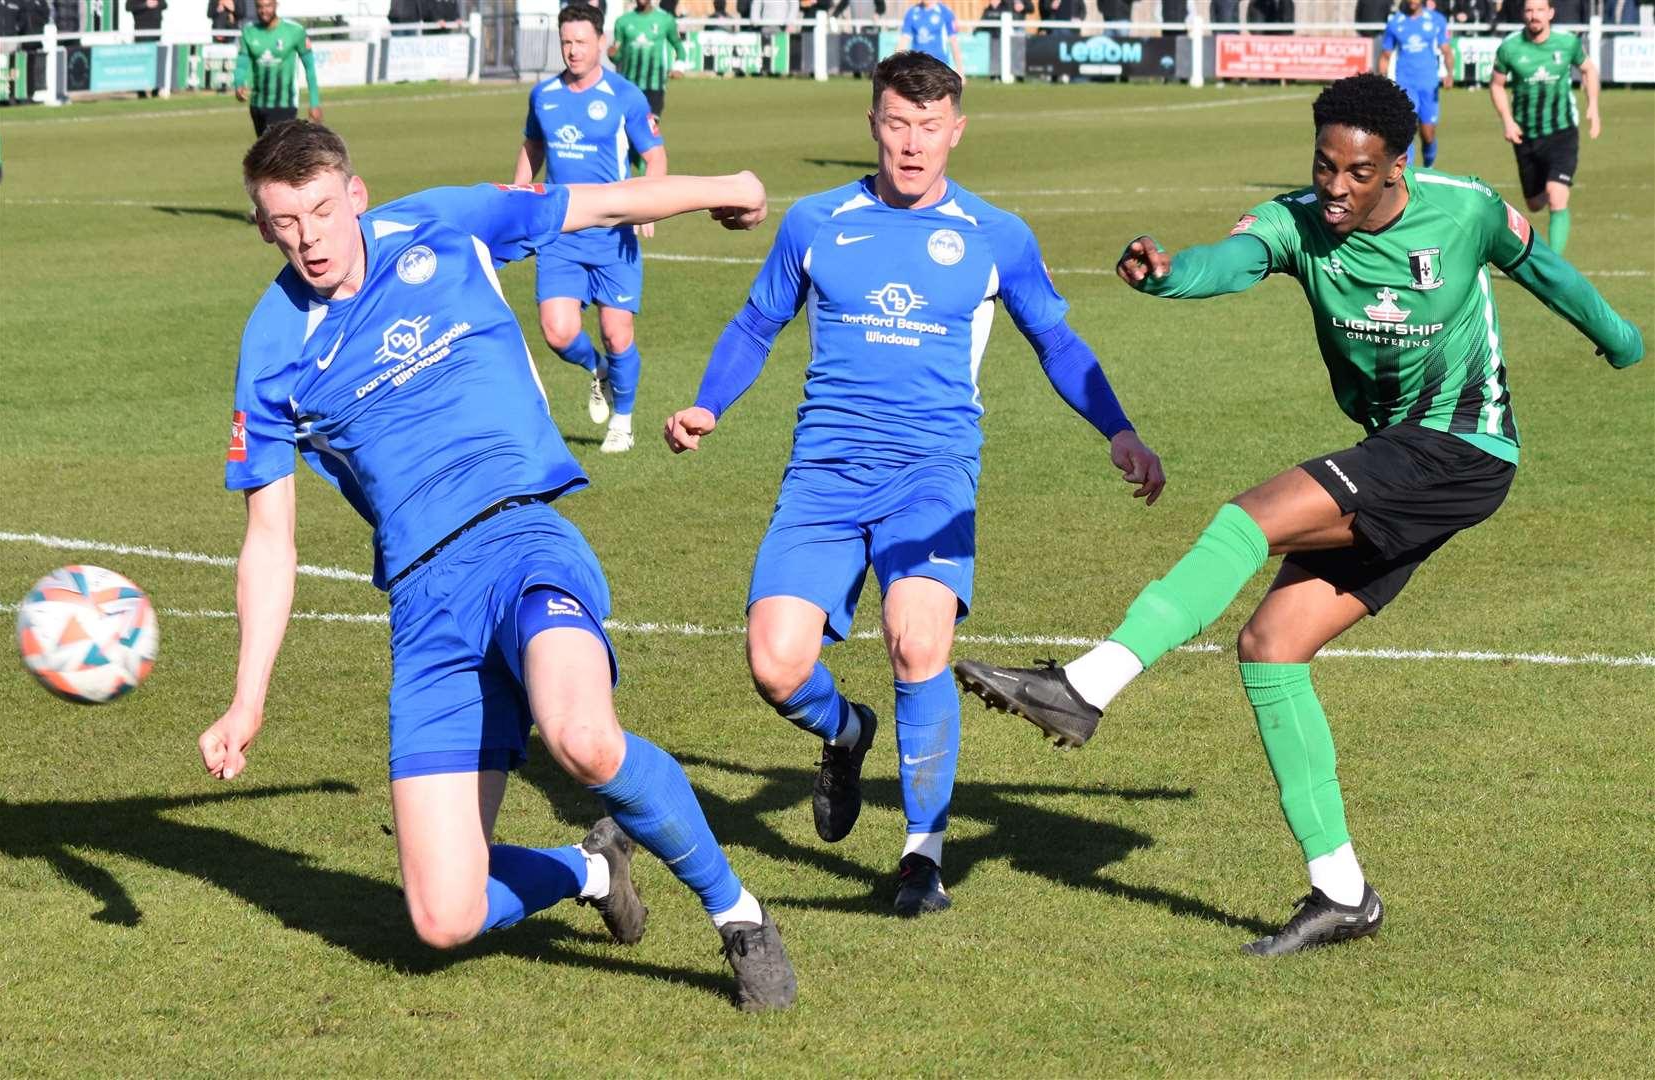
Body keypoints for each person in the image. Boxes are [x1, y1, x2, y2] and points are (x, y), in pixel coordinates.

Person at [955, 72, 1642, 957]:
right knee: (1271, 647)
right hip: (1401, 452)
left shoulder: (1462, 210)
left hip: (1462, 446)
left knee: (1251, 515)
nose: (1334, 188)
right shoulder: (1292, 221)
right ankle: (1341, 892)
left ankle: (1085, 687)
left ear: (1398, 165)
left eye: (1357, 173)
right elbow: (1226, 260)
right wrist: (1168, 276)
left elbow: (1544, 270)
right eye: (1323, 167)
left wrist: (1621, 341)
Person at [203, 119, 797, 1011]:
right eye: (285, 222)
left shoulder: (443, 223)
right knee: (443, 914)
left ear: (354, 195)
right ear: (263, 226)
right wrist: (248, 697)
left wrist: (731, 187)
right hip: (422, 602)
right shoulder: (269, 347)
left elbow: (596, 203)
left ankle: (736, 913)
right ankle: (591, 870)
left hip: (519, 542)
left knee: (583, 738)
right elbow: (269, 538)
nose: (310, 237)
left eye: (322, 211)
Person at [663, 52, 1165, 918]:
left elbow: (1058, 343)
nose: (911, 144)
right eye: (896, 123)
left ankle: (920, 859)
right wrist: (708, 405)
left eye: (928, 127)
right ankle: (845, 732)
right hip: (823, 469)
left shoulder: (993, 233)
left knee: (915, 642)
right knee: (775, 664)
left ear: (955, 132)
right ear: (873, 125)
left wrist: (1117, 428)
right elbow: (755, 324)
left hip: (933, 472)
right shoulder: (816, 222)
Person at [514, 4, 661, 454]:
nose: (573, 50)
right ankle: (599, 371)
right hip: (560, 231)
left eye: (581, 41)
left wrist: (650, 205)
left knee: (618, 334)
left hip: (614, 234)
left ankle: (623, 421)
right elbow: (532, 146)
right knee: (557, 332)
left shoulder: (626, 96)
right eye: (566, 42)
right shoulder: (544, 96)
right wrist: (518, 193)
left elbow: (653, 156)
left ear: (601, 41)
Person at [1489, 0, 1600, 256]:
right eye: (1529, 10)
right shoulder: (1509, 47)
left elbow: (1589, 70)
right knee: (1535, 203)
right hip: (1524, 134)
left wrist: (1593, 105)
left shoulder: (1568, 42)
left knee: (1557, 195)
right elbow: (1496, 85)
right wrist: (1507, 119)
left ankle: (1554, 265)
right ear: (1523, 14)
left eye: (1540, 10)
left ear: (1550, 13)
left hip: (1562, 132)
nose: (1534, 15)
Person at [1379, 0, 1453, 167]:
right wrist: (1382, 82)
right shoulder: (1395, 22)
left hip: (1429, 85)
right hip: (1406, 85)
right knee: (1408, 130)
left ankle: (1429, 166)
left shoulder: (1437, 20)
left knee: (1428, 135)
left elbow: (1446, 50)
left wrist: (1449, 73)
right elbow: (1385, 56)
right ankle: (1409, 174)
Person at [233, 0, 322, 136]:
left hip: (284, 105)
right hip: (257, 105)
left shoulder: (295, 31)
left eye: (268, 6)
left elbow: (310, 68)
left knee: (276, 153)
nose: (263, 11)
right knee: (265, 153)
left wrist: (314, 103)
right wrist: (239, 85)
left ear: (276, 5)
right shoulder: (249, 32)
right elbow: (241, 64)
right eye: (260, 7)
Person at [610, 0, 684, 121]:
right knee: (629, 129)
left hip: (655, 85)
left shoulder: (665, 19)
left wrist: (679, 67)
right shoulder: (622, 21)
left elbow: (679, 46)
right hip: (630, 85)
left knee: (650, 126)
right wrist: (612, 55)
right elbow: (618, 57)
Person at [899, 0, 966, 76]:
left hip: (940, 65)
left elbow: (954, 43)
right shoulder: (912, 12)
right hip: (918, 65)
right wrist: (896, 65)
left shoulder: (945, 12)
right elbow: (903, 41)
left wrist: (960, 70)